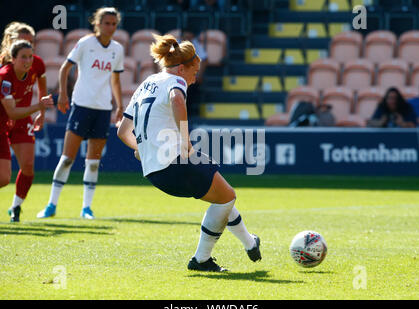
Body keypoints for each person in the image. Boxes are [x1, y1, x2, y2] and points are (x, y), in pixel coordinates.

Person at [117, 34, 261, 272]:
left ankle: (250, 243)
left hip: (154, 172)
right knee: (226, 196)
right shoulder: (176, 82)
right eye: (194, 73)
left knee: (222, 196)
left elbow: (122, 130)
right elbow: (177, 101)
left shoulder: (147, 83)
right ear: (182, 68)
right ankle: (201, 260)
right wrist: (186, 141)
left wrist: (140, 148)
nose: (194, 80)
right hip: (175, 162)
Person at [37, 7, 124, 220]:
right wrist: (63, 95)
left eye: (114, 24)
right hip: (81, 105)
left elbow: (115, 79)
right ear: (97, 23)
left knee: (93, 162)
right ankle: (51, 204)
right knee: (67, 158)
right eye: (107, 23)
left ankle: (86, 208)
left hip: (103, 109)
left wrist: (119, 105)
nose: (110, 27)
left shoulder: (117, 49)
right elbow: (64, 68)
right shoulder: (85, 43)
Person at [0, 40, 54, 222]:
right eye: (23, 57)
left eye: (30, 56)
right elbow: (12, 112)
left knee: (15, 173)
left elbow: (42, 85)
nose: (28, 60)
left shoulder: (36, 65)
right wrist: (39, 106)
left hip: (21, 122)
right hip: (4, 122)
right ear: (13, 58)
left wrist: (41, 112)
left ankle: (15, 207)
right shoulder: (5, 76)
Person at [180, 28, 208, 117]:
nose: (188, 40)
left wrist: (199, 75)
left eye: (190, 38)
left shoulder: (196, 45)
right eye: (186, 37)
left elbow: (204, 59)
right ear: (182, 37)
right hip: (176, 76)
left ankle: (187, 114)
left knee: (191, 87)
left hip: (189, 77)